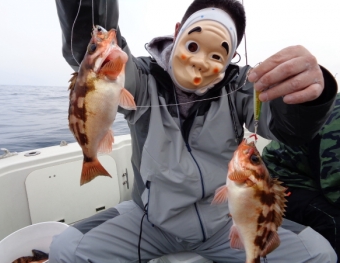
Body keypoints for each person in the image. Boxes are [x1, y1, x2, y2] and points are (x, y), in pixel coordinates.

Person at [51, 0, 338, 262]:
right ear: (178, 33)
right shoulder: (140, 77)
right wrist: (90, 10)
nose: (201, 61)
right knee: (66, 249)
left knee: (319, 254)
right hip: (148, 221)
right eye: (192, 45)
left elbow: (288, 128)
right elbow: (93, 57)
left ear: (232, 56)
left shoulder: (241, 87)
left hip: (225, 222)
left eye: (217, 54)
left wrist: (311, 95)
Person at [262, 92, 340, 260]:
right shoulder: (337, 119)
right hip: (282, 177)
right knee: (333, 218)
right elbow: (333, 179)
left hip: (312, 174)